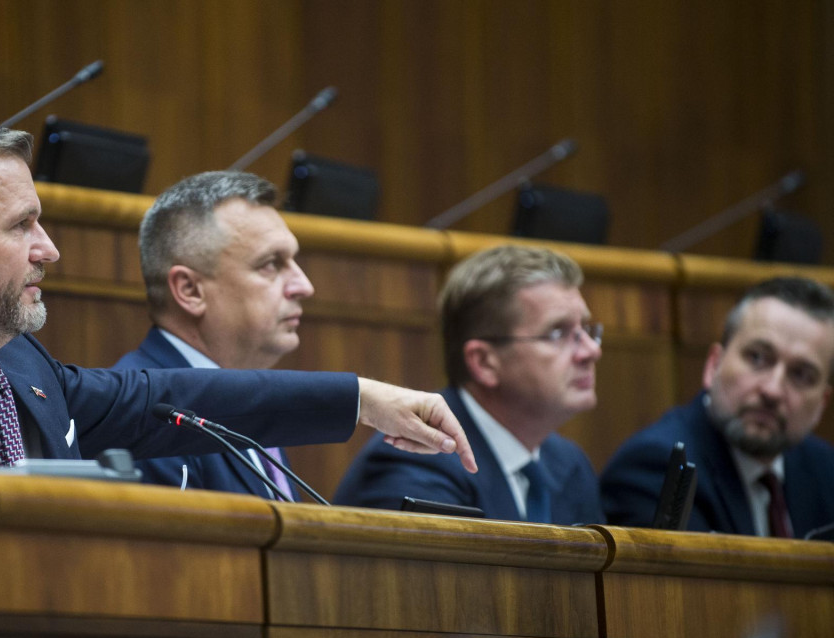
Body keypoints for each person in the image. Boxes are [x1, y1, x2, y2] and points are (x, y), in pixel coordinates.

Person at [0, 116, 478, 475]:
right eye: (21, 226)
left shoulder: (19, 363)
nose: (49, 249)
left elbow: (174, 399)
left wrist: (362, 400)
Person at [334, 245, 604, 524]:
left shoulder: (570, 464)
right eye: (557, 333)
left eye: (586, 330)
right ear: (484, 362)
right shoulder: (417, 459)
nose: (591, 351)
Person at [114, 170, 314, 498]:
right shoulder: (145, 415)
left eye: (294, 261)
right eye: (271, 264)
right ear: (190, 290)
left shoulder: (247, 397)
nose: (304, 286)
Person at [601, 277, 834, 538]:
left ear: (822, 402)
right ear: (714, 365)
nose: (772, 390)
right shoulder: (656, 467)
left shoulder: (826, 470)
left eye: (801, 375)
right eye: (757, 357)